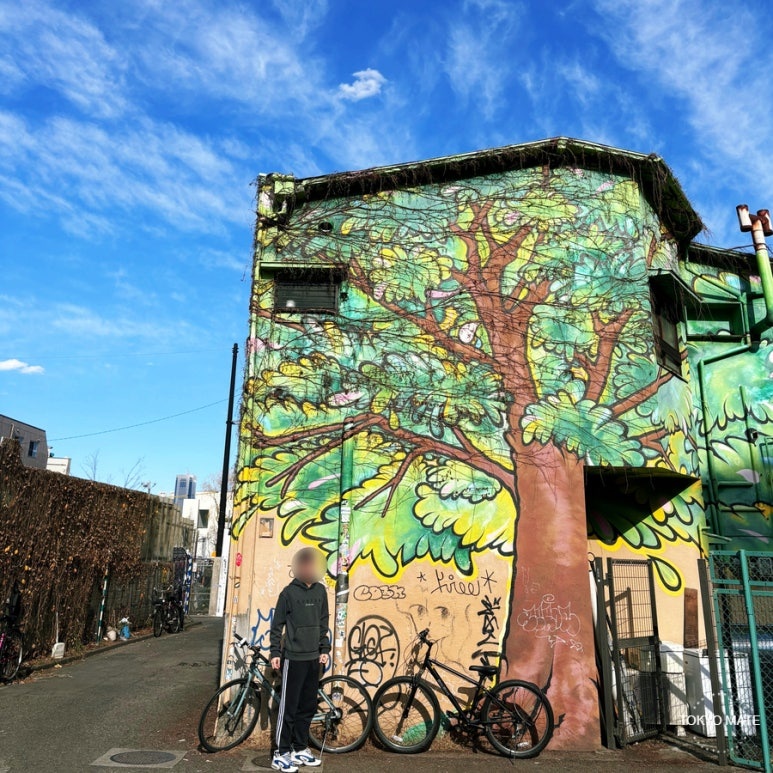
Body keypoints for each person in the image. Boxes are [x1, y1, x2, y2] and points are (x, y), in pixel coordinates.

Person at [269, 547, 330, 772]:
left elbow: (323, 621)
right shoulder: (288, 593)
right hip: (293, 658)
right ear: (298, 567)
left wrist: (325, 647)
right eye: (304, 565)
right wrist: (276, 652)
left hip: (314, 657)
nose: (308, 568)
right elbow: (277, 626)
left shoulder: (321, 592)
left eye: (311, 565)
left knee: (307, 707)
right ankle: (281, 753)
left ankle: (299, 748)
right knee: (289, 708)